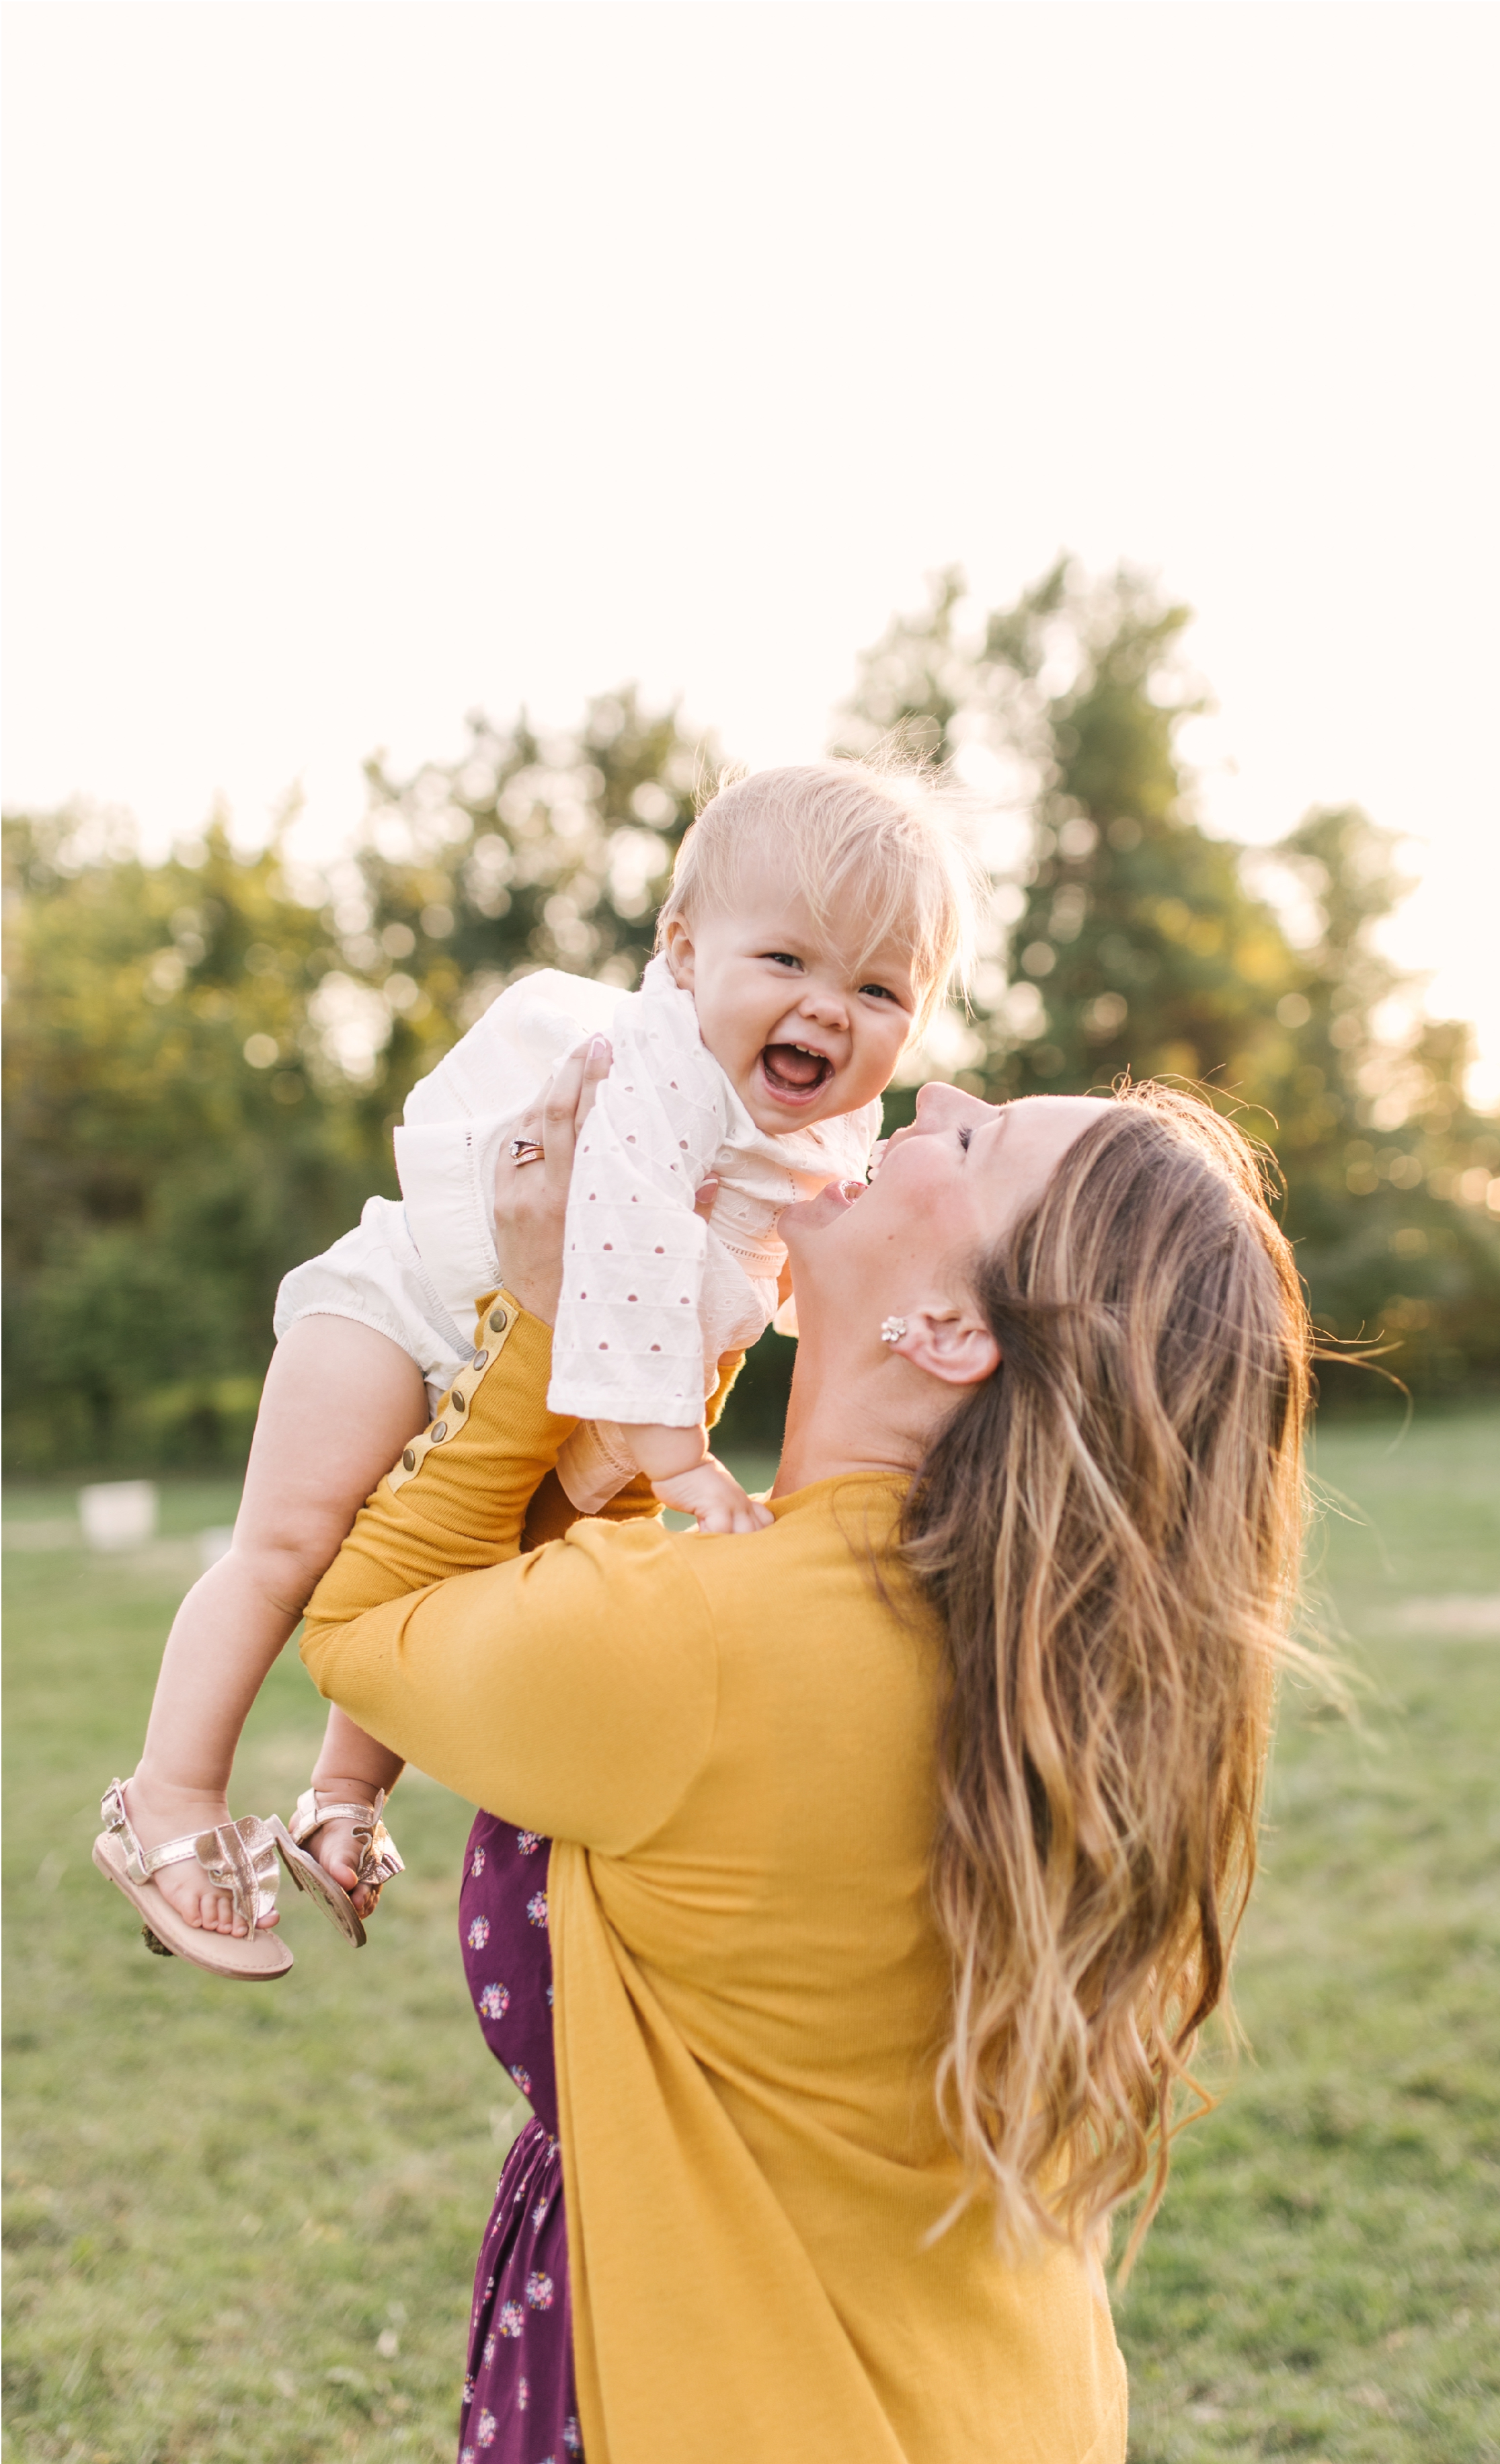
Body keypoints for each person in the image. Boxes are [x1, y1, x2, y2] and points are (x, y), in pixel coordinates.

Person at [299, 1041, 1313, 2464]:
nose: (932, 1102)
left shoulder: (702, 1639)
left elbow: (351, 1617)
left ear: (947, 1329)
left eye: (972, 1148)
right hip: (1006, 2450)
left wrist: (549, 1317)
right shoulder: (1026, 1655)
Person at [93, 762, 979, 1971]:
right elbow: (621, 1248)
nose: (830, 1009)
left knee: (455, 1577)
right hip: (402, 1311)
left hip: (530, 1362)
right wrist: (677, 1458)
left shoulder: (825, 1129)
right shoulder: (649, 1068)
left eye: (878, 987)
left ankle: (344, 1793)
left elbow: (781, 1272)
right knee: (292, 1547)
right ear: (681, 951)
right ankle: (171, 1796)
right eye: (787, 963)